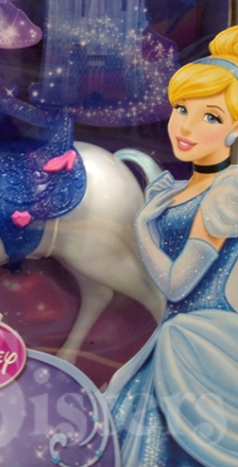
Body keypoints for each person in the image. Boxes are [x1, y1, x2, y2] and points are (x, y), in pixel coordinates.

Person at [106, 26, 238, 465]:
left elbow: (178, 285)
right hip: (174, 336)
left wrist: (143, 227)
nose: (186, 127)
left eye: (211, 117)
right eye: (182, 109)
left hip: (204, 342)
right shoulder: (175, 190)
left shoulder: (227, 191)